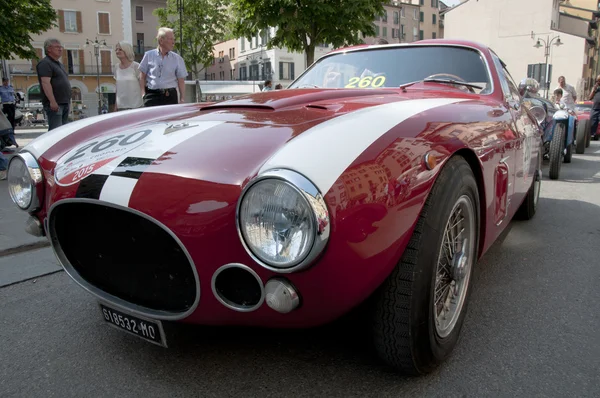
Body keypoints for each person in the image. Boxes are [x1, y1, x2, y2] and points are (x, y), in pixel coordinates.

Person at [139, 27, 187, 107]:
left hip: (169, 96)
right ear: (161, 40)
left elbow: (181, 80)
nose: (173, 42)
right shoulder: (148, 55)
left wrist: (182, 99)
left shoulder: (177, 59)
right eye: (171, 39)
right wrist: (143, 94)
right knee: (152, 119)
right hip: (151, 95)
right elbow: (142, 76)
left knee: (170, 119)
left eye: (174, 39)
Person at [36, 38, 71, 131]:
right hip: (56, 103)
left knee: (63, 131)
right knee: (56, 131)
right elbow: (45, 83)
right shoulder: (45, 63)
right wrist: (52, 101)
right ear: (49, 49)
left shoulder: (59, 64)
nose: (60, 49)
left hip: (64, 102)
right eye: (57, 47)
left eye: (61, 47)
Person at [114, 41, 143, 111]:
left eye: (120, 49)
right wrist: (115, 106)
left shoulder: (136, 66)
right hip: (121, 107)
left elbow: (142, 85)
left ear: (126, 51)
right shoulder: (116, 67)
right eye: (116, 50)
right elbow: (118, 88)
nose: (117, 51)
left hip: (136, 106)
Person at [0, 78, 18, 147]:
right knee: (8, 117)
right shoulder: (1, 88)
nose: (6, 83)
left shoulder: (11, 87)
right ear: (3, 82)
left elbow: (13, 95)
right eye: (5, 81)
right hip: (5, 104)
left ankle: (12, 130)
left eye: (7, 81)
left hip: (11, 104)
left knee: (12, 117)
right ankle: (8, 131)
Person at [588, 75, 600, 139]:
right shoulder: (596, 88)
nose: (598, 82)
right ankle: (592, 134)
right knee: (592, 122)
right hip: (595, 108)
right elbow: (590, 97)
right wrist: (594, 90)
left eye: (599, 81)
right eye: (597, 81)